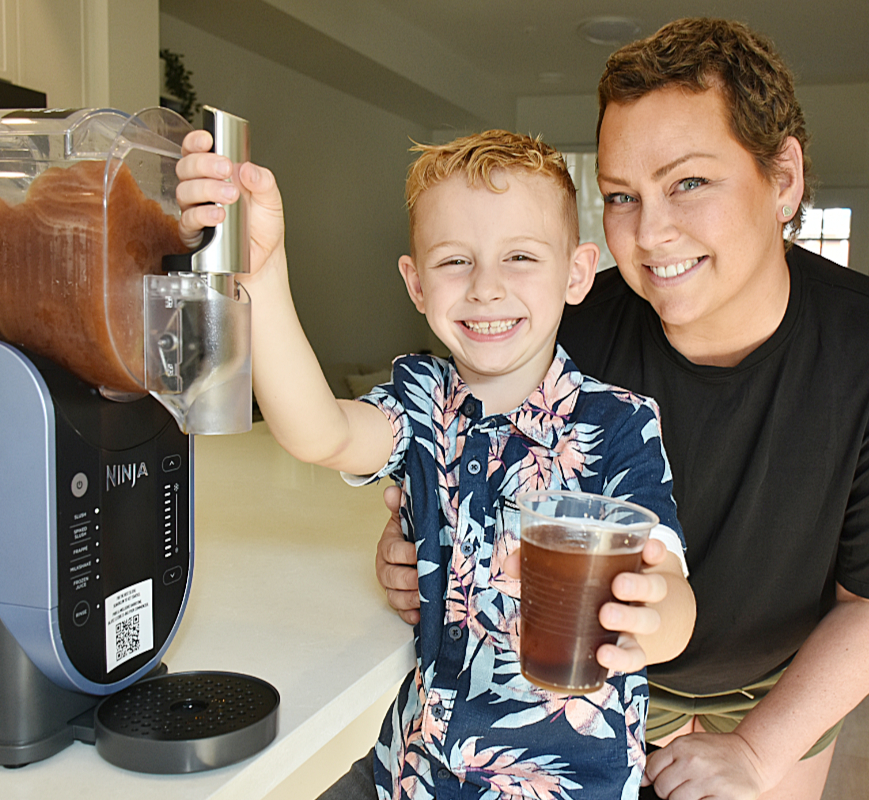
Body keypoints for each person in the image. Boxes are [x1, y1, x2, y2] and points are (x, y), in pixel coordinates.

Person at [375, 17, 869, 800]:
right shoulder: (569, 330)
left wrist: (758, 753)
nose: (651, 234)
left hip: (772, 691)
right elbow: (457, 451)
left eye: (689, 182)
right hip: (581, 685)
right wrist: (414, 543)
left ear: (783, 179)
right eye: (622, 196)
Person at [175, 129, 696, 798]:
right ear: (416, 284)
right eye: (455, 261)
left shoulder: (619, 424)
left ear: (575, 274)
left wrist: (656, 622)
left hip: (568, 786)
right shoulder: (422, 403)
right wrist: (263, 274)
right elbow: (320, 433)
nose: (486, 288)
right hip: (414, 771)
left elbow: (670, 590)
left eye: (519, 257)